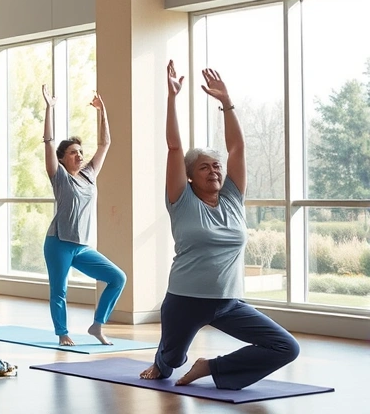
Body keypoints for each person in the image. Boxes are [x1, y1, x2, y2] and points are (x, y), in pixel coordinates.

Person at [140, 61, 299, 388]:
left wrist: (226, 103)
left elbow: (237, 148)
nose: (213, 171)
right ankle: (162, 359)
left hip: (228, 303)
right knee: (169, 365)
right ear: (189, 175)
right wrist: (171, 99)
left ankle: (210, 367)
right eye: (203, 167)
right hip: (184, 300)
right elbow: (174, 147)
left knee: (286, 347)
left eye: (216, 166)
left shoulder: (232, 199)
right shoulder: (181, 200)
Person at [41, 86, 125, 346]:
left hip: (82, 246)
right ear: (62, 159)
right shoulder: (59, 177)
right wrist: (49, 108)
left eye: (80, 151)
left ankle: (98, 325)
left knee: (117, 278)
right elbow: (48, 143)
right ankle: (62, 333)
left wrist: (103, 112)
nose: (79, 155)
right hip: (58, 243)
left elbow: (105, 143)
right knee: (60, 290)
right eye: (73, 152)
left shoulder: (89, 175)